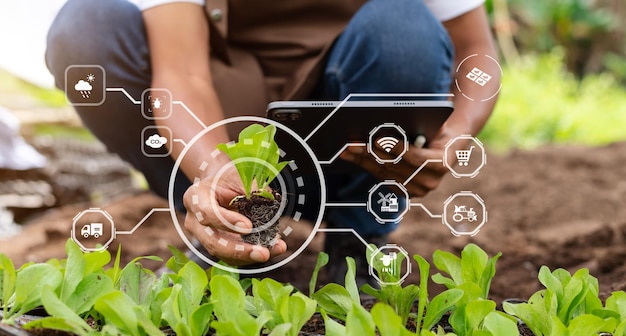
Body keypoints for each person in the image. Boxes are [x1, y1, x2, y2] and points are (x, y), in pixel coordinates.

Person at [46, 0, 498, 282]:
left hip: (346, 135)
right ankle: (230, 223)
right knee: (87, 27)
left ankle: (358, 234)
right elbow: (181, 75)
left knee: (405, 29)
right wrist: (213, 168)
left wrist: (454, 137)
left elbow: (475, 51)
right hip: (226, 115)